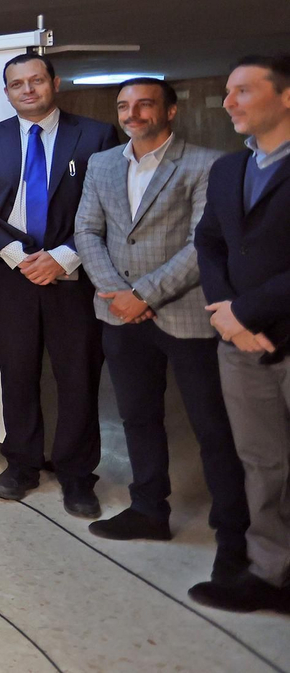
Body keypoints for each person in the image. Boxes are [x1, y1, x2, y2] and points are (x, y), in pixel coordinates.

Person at [75, 78, 247, 581]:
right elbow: (87, 231)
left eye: (144, 104)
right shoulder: (103, 163)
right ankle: (150, 509)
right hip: (119, 314)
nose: (133, 113)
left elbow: (203, 244)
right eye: (124, 105)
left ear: (169, 111)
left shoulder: (207, 163)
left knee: (212, 427)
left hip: (186, 314)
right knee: (138, 418)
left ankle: (234, 533)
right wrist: (117, 295)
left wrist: (143, 295)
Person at [0, 54, 119, 517]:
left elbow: (111, 206)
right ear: (7, 91)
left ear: (55, 83)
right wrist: (15, 257)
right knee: (18, 375)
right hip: (13, 278)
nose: (27, 90)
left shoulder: (94, 135)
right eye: (17, 84)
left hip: (73, 278)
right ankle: (22, 465)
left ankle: (77, 476)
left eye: (36, 80)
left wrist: (62, 257)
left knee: (77, 378)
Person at [190, 55, 290, 615]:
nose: (228, 102)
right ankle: (271, 573)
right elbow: (210, 243)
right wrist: (225, 312)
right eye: (227, 92)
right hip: (239, 342)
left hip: (273, 329)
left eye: (243, 91)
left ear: (286, 96)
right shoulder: (230, 170)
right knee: (264, 462)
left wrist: (244, 311)